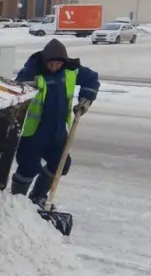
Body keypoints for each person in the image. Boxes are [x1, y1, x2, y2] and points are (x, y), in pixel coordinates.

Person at [10, 38, 100, 206]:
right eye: (51, 64)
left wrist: (85, 99)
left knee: (61, 163)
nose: (54, 67)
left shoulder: (70, 70)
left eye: (58, 64)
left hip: (58, 131)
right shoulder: (32, 71)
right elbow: (17, 87)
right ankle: (17, 202)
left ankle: (38, 196)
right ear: (45, 61)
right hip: (33, 132)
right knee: (28, 168)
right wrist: (23, 88)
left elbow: (92, 79)